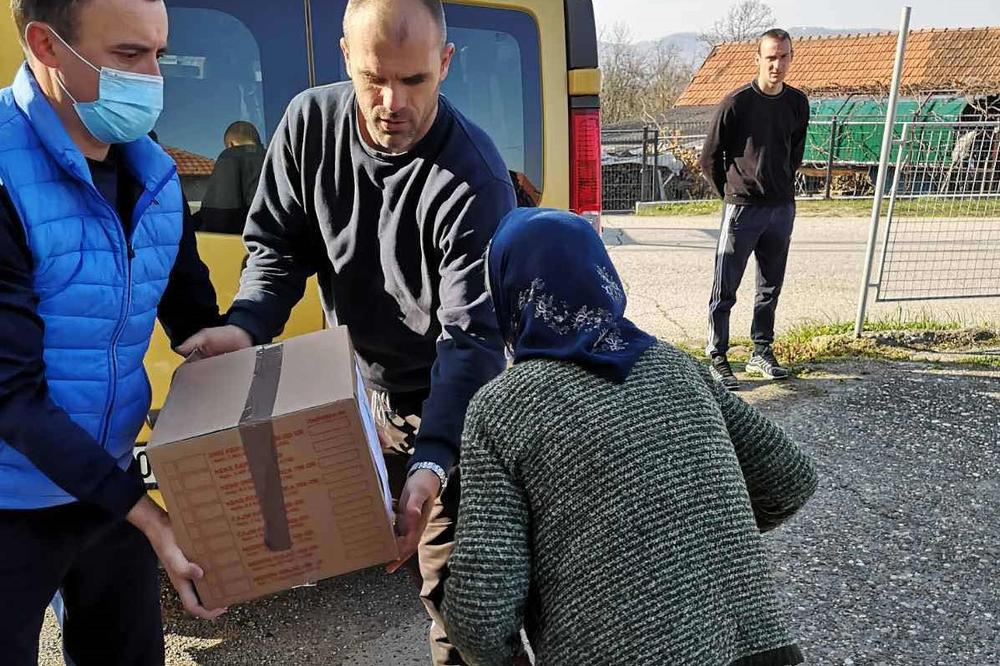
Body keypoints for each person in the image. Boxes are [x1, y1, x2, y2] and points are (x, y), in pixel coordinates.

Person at [178, 0, 515, 662]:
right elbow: (275, 248)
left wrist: (432, 461)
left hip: (451, 398)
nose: (391, 102)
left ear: (445, 64)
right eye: (372, 78)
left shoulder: (474, 177)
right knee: (345, 542)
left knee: (465, 607)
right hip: (360, 392)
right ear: (345, 58)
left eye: (414, 81)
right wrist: (246, 326)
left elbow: (469, 341)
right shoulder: (309, 125)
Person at [440, 208, 819, 666]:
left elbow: (479, 614)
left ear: (507, 291)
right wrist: (685, 542)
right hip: (758, 653)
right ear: (603, 277)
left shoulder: (504, 407)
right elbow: (790, 478)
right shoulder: (675, 366)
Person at [0, 1, 228, 663]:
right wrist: (150, 517)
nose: (153, 78)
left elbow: (193, 321)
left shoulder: (155, 176)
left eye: (160, 54)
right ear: (45, 44)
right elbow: (10, 396)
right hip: (11, 496)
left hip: (108, 488)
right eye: (130, 57)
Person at [699, 28, 810, 390]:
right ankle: (718, 356)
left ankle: (761, 351)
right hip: (742, 209)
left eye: (784, 56)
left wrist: (780, 187)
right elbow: (709, 158)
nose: (777, 64)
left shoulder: (797, 103)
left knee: (769, 287)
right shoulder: (736, 103)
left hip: (781, 209)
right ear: (758, 59)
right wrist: (731, 193)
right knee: (725, 287)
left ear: (791, 57)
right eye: (770, 57)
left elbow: (795, 151)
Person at [196, 120, 266, 234]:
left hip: (236, 243)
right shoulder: (275, 158)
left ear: (231, 144)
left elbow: (218, 215)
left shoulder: (229, 157)